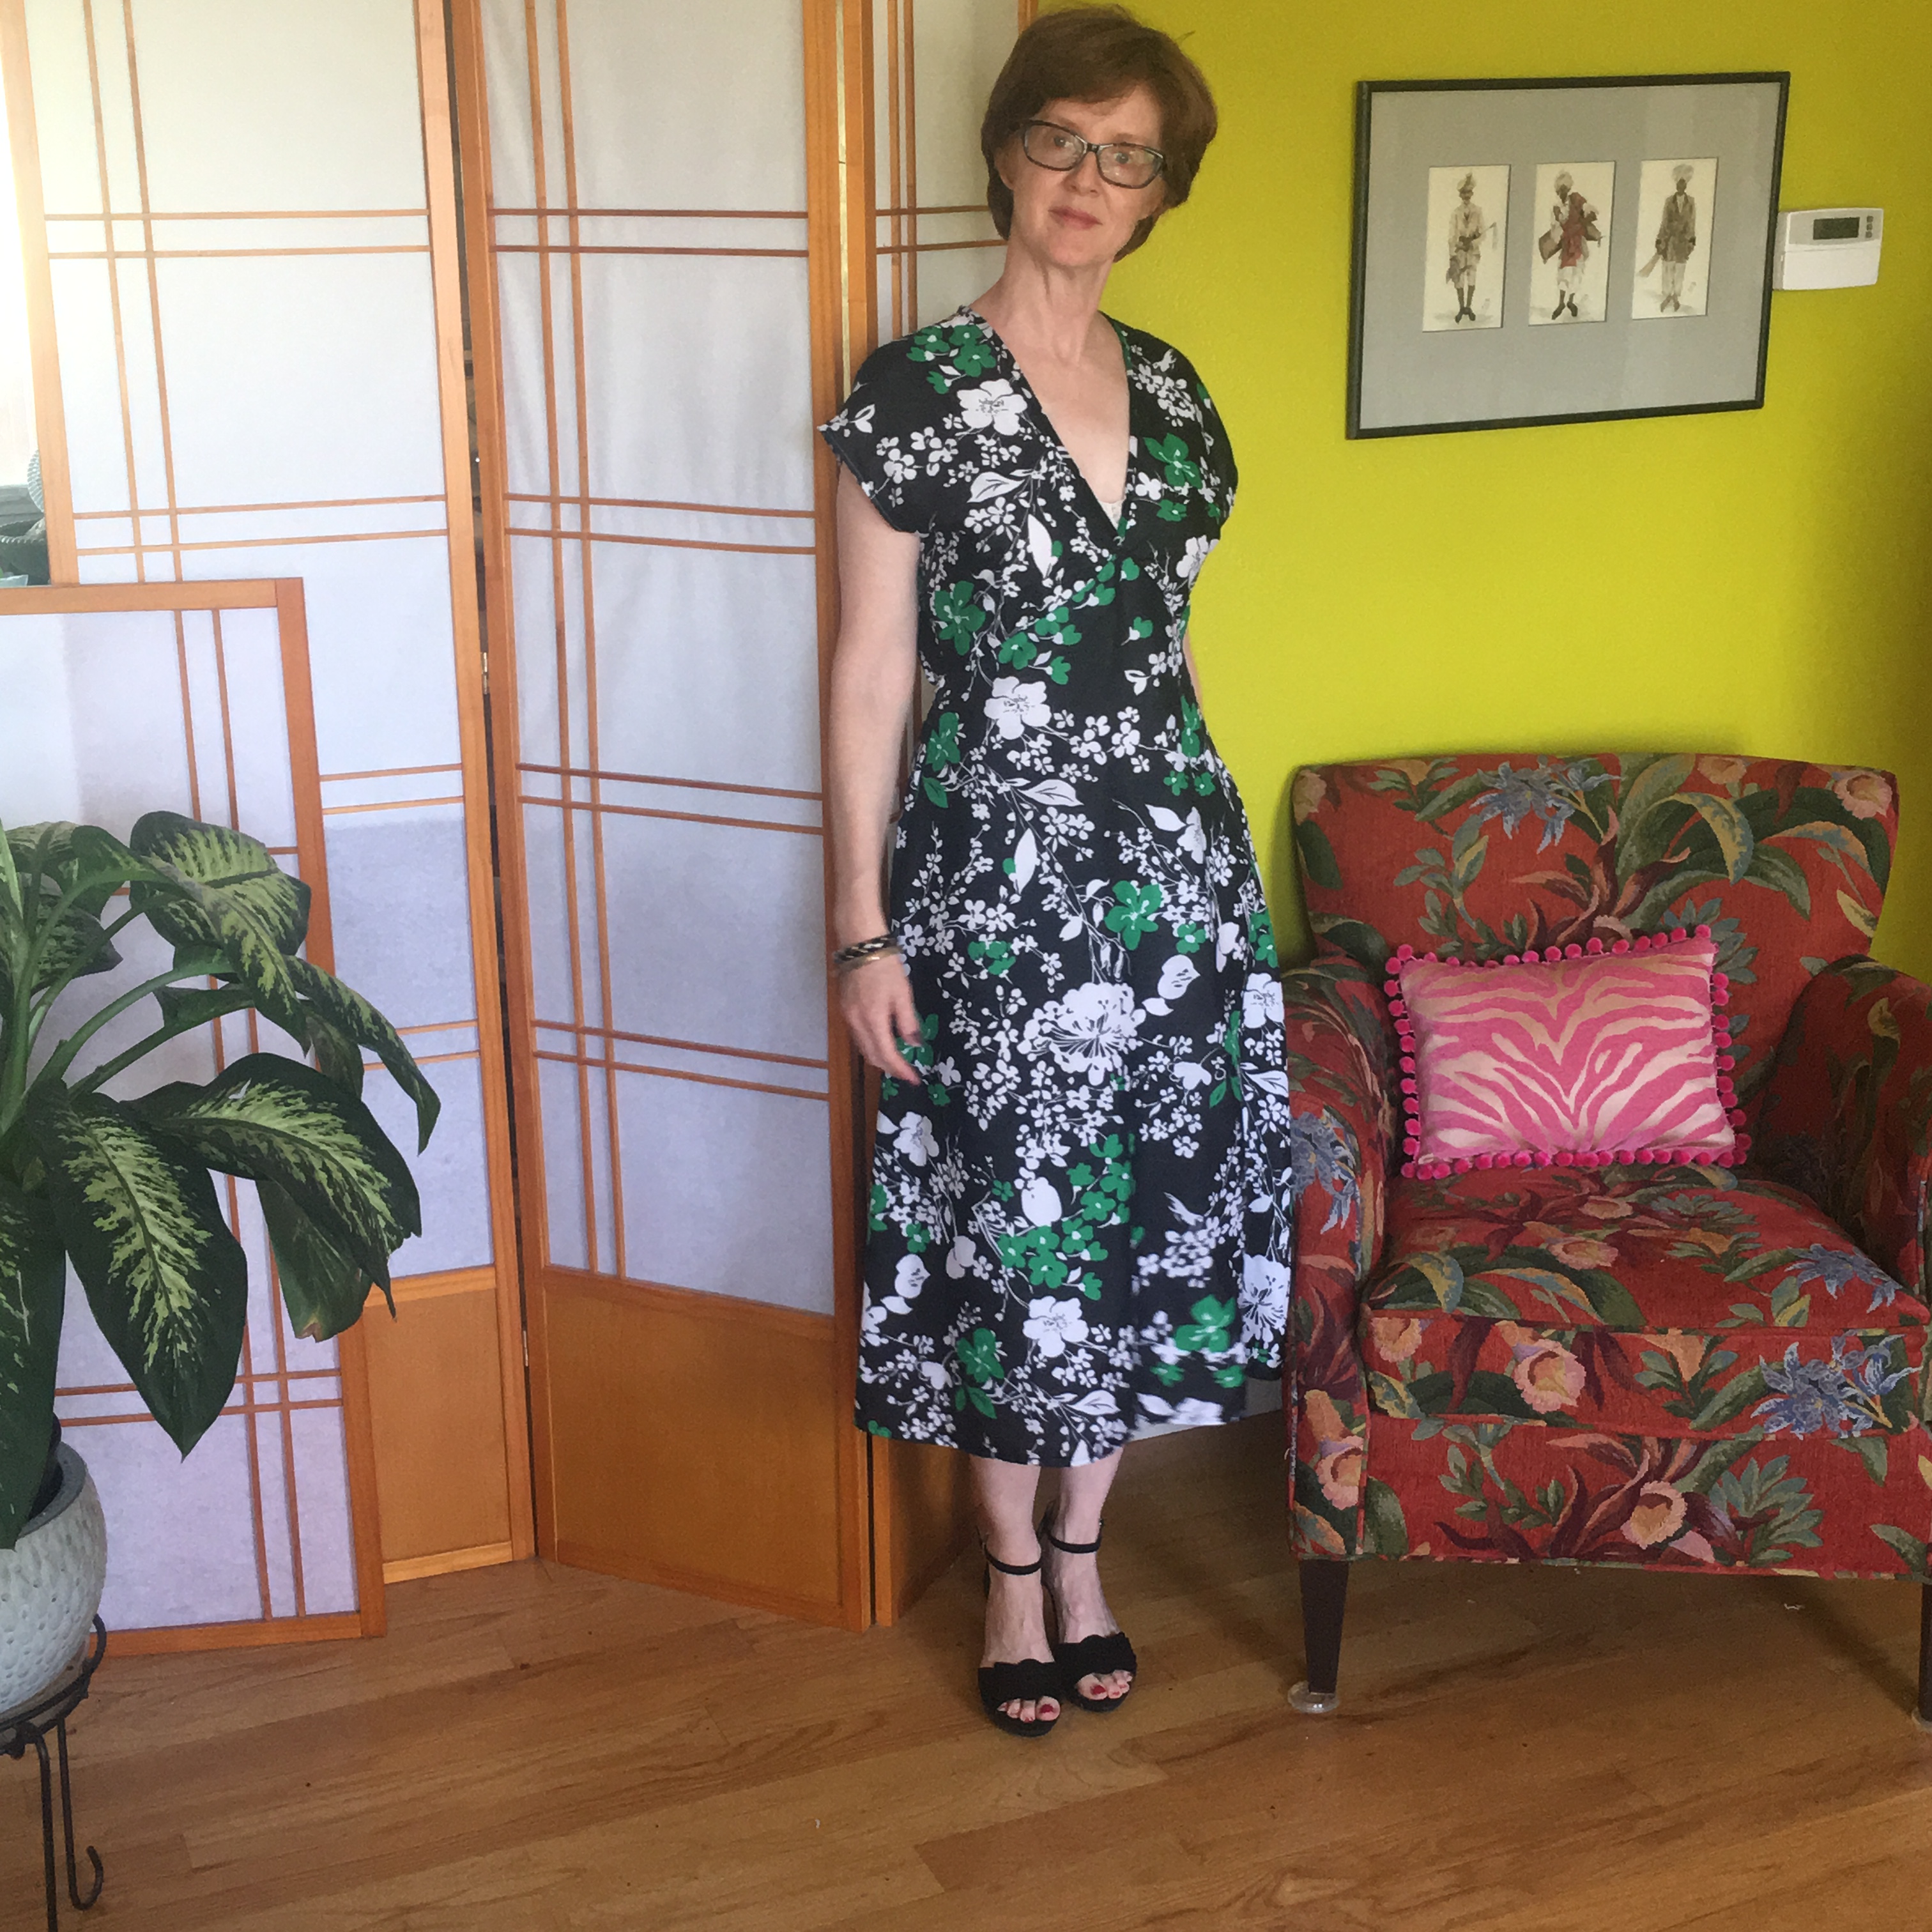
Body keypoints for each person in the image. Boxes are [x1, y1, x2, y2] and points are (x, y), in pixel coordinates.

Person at [820, 4, 1292, 1740]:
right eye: (1062, 142)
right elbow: (873, 670)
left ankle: (1089, 1554)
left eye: (1129, 157)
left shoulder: (1176, 391)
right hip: (992, 884)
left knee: (1136, 1232)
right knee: (1023, 1235)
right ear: (1008, 155)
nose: (1091, 180)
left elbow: (1160, 643)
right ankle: (1014, 1574)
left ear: (1162, 193)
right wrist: (862, 928)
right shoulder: (915, 392)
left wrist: (1204, 877)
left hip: (1174, 878)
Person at [1543, 170, 1601, 320]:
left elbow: (1591, 212)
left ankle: (1571, 301)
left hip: (1578, 243)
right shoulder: (1557, 208)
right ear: (1557, 191)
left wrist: (1585, 219)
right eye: (1560, 190)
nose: (1562, 192)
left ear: (1568, 188)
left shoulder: (1576, 199)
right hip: (1567, 243)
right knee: (1564, 273)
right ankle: (1561, 303)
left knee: (1577, 272)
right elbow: (1558, 226)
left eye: (1565, 189)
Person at [1654, 164, 1698, 313]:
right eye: (1679, 183)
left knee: (1680, 268)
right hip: (1670, 239)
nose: (1681, 186)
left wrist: (1691, 241)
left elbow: (1692, 221)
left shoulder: (1691, 202)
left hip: (1683, 241)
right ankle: (1667, 296)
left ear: (1686, 185)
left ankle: (1676, 296)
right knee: (1668, 267)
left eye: (1683, 183)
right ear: (1676, 184)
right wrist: (1660, 240)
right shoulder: (1669, 201)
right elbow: (1664, 221)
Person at [1447, 172, 1486, 323]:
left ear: (1472, 193)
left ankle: (1469, 307)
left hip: (1473, 252)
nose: (1466, 196)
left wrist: (1474, 243)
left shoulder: (1478, 211)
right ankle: (1461, 307)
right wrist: (1457, 247)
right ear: (1460, 195)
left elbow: (1483, 233)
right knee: (1459, 279)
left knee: (1472, 277)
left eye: (1469, 192)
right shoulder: (1456, 213)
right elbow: (1452, 235)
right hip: (1460, 252)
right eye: (1464, 193)